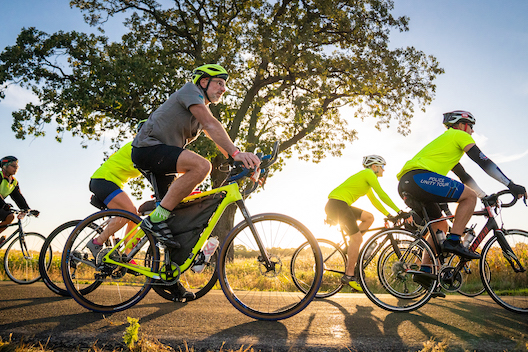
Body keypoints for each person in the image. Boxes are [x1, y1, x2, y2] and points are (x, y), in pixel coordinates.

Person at [131, 64, 260, 246]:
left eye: (224, 85)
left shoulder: (199, 108)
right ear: (204, 81)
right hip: (147, 149)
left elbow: (215, 136)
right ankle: (153, 222)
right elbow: (210, 124)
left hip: (162, 156)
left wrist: (241, 162)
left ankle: (164, 269)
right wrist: (237, 153)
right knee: (202, 166)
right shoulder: (190, 91)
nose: (224, 89)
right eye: (219, 83)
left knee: (177, 215)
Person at [397, 110, 527, 286]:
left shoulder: (447, 145)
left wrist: (485, 196)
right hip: (418, 178)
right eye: (471, 127)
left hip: (410, 183)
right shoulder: (458, 134)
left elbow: (464, 177)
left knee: (440, 225)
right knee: (468, 197)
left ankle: (425, 271)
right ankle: (454, 241)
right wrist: (511, 185)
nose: (472, 131)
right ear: (460, 125)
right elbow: (484, 162)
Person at [325, 155, 406, 291]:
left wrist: (389, 215)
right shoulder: (368, 174)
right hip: (338, 204)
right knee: (357, 238)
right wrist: (399, 211)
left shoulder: (366, 179)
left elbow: (375, 201)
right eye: (382, 167)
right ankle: (350, 276)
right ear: (374, 167)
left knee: (369, 217)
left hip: (340, 204)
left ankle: (350, 246)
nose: (384, 170)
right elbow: (382, 194)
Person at [0, 156, 37, 245]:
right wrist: (3, 204)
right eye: (13, 165)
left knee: (10, 216)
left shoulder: (14, 182)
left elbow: (18, 197)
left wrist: (27, 209)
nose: (16, 168)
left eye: (17, 166)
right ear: (4, 166)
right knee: (9, 213)